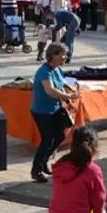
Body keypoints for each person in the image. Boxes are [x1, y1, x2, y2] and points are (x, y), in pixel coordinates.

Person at [30, 42, 80, 182]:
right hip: (42, 111)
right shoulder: (44, 71)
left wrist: (69, 100)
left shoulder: (57, 69)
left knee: (59, 136)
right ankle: (36, 170)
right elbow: (50, 90)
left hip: (55, 109)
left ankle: (44, 161)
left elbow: (62, 85)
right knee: (47, 140)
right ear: (53, 55)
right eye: (63, 54)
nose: (66, 57)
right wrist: (69, 97)